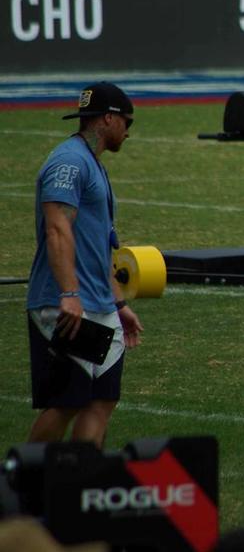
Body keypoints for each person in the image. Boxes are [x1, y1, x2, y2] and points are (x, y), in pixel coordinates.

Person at [25, 82, 144, 448]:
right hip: (67, 305)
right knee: (66, 402)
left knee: (102, 398)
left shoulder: (94, 166)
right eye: (127, 121)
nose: (128, 129)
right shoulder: (69, 162)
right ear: (108, 119)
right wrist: (70, 293)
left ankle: (79, 484)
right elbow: (57, 230)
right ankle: (19, 486)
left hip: (99, 305)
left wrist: (119, 303)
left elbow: (100, 244)